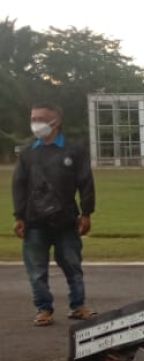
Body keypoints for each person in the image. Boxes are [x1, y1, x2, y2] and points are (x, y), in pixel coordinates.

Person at [12, 103, 96, 326]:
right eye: (33, 118)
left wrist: (87, 212)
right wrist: (18, 216)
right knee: (37, 270)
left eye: (40, 118)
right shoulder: (28, 152)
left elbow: (86, 182)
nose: (35, 123)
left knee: (72, 265)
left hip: (66, 219)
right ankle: (43, 309)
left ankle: (78, 305)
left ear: (55, 121)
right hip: (34, 221)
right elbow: (19, 185)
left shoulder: (74, 150)